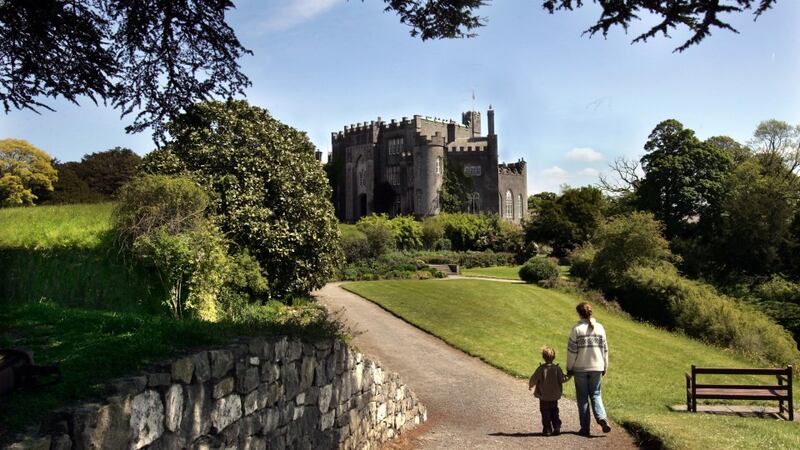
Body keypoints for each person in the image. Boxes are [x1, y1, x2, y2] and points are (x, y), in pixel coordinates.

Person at [566, 302, 612, 437]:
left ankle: (585, 428)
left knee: (582, 397)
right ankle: (602, 418)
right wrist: (605, 366)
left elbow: (572, 352)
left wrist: (569, 368)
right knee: (596, 394)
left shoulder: (576, 329)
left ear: (579, 313)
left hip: (580, 368)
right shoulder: (600, 328)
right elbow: (605, 350)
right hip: (597, 367)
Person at [528, 345, 569, 436]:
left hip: (544, 396)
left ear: (543, 357)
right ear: (554, 357)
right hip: (554, 396)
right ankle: (557, 426)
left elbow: (534, 378)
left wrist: (531, 385)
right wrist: (569, 376)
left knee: (545, 412)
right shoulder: (557, 369)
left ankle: (547, 429)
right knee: (554, 410)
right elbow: (562, 379)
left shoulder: (541, 369)